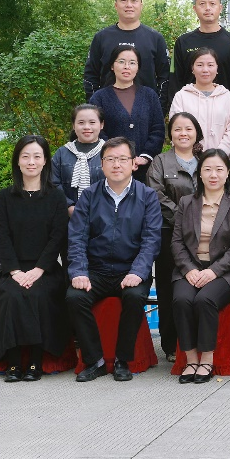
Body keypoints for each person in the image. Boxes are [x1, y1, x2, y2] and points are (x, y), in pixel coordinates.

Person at [66, 137, 162, 382]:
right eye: (110, 159)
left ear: (133, 164)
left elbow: (151, 240)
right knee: (75, 298)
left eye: (122, 159)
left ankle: (123, 360)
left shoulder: (147, 196)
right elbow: (76, 237)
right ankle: (94, 360)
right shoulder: (89, 195)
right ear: (102, 164)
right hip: (96, 270)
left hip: (130, 270)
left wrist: (138, 272)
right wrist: (79, 272)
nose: (116, 164)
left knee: (134, 296)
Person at [0, 136, 70, 381]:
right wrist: (15, 272)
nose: (31, 162)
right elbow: (3, 238)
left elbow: (57, 238)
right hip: (13, 268)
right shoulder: (5, 197)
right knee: (11, 295)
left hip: (46, 269)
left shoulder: (56, 196)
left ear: (45, 161)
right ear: (18, 161)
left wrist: (38, 270)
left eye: (37, 156)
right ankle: (13, 363)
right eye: (25, 156)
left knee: (36, 295)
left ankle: (34, 362)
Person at [171, 148, 230, 384]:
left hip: (225, 273)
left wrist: (213, 271)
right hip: (190, 269)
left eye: (219, 169)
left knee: (205, 300)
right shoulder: (186, 202)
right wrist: (189, 269)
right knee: (181, 300)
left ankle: (207, 359)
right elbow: (176, 242)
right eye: (207, 169)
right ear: (200, 173)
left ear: (227, 173)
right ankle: (191, 360)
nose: (213, 175)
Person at [145, 112, 205, 361]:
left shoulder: (206, 160)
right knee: (169, 288)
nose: (183, 133)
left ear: (196, 133)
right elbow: (155, 194)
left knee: (199, 285)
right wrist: (184, 216)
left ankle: (200, 341)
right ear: (170, 134)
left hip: (204, 233)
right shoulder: (160, 162)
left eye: (188, 129)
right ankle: (171, 345)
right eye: (178, 129)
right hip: (168, 232)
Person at [82, 0, 170, 103]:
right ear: (116, 5)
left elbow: (165, 77)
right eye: (123, 0)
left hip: (146, 108)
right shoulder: (101, 37)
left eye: (134, 1)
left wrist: (159, 108)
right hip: (107, 108)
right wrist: (95, 107)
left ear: (141, 5)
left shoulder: (155, 38)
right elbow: (90, 75)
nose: (129, 5)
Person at [89, 47, 165, 181]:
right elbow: (96, 131)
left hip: (145, 170)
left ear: (138, 67)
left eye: (132, 63)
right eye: (121, 61)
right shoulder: (99, 98)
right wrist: (116, 157)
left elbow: (158, 129)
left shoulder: (149, 95)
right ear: (112, 66)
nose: (127, 67)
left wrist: (145, 156)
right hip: (112, 169)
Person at [169, 47, 230, 158]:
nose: (205, 70)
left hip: (220, 161)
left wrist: (219, 155)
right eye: (200, 65)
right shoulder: (181, 96)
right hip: (188, 159)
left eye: (210, 65)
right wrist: (191, 154)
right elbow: (176, 128)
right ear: (192, 69)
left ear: (217, 68)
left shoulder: (228, 97)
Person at [171, 0, 230, 97]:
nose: (207, 8)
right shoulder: (183, 42)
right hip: (189, 104)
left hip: (225, 104)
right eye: (202, 4)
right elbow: (175, 80)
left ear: (220, 8)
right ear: (194, 8)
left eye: (212, 4)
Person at [51, 104, 106, 213]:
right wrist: (69, 207)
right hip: (67, 216)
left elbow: (119, 183)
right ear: (73, 125)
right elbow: (53, 184)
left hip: (105, 214)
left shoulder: (110, 152)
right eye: (81, 122)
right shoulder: (62, 153)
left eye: (92, 122)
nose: (87, 127)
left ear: (101, 125)